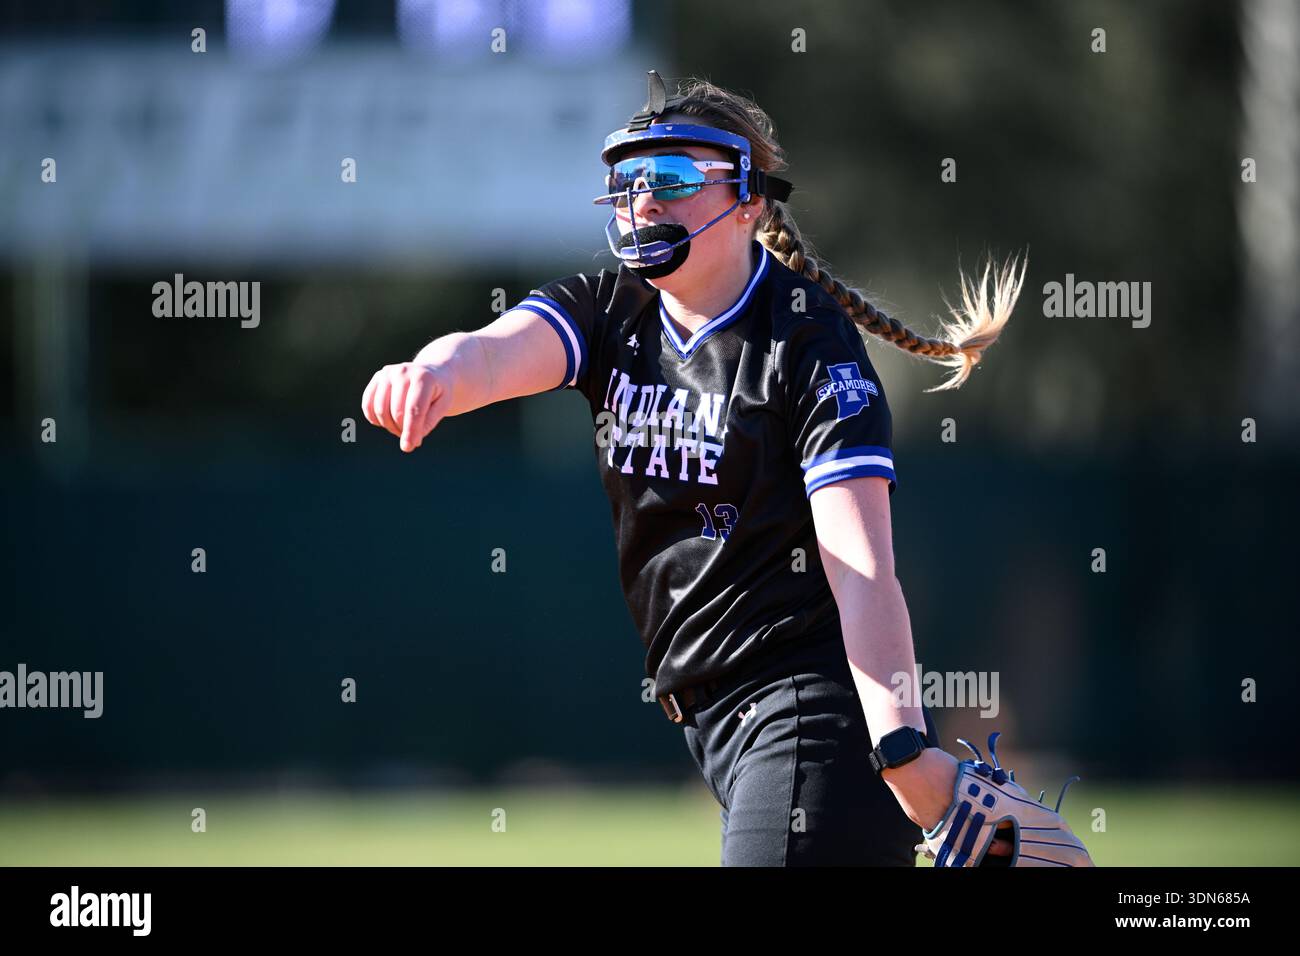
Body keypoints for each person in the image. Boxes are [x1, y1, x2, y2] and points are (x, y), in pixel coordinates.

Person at [361, 72, 1027, 865]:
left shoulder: (805, 344)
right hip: (716, 727)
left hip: (809, 713)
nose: (645, 200)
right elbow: (492, 351)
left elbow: (863, 572)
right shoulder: (608, 312)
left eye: (672, 179)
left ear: (748, 199)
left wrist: (902, 751)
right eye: (628, 182)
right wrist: (432, 374)